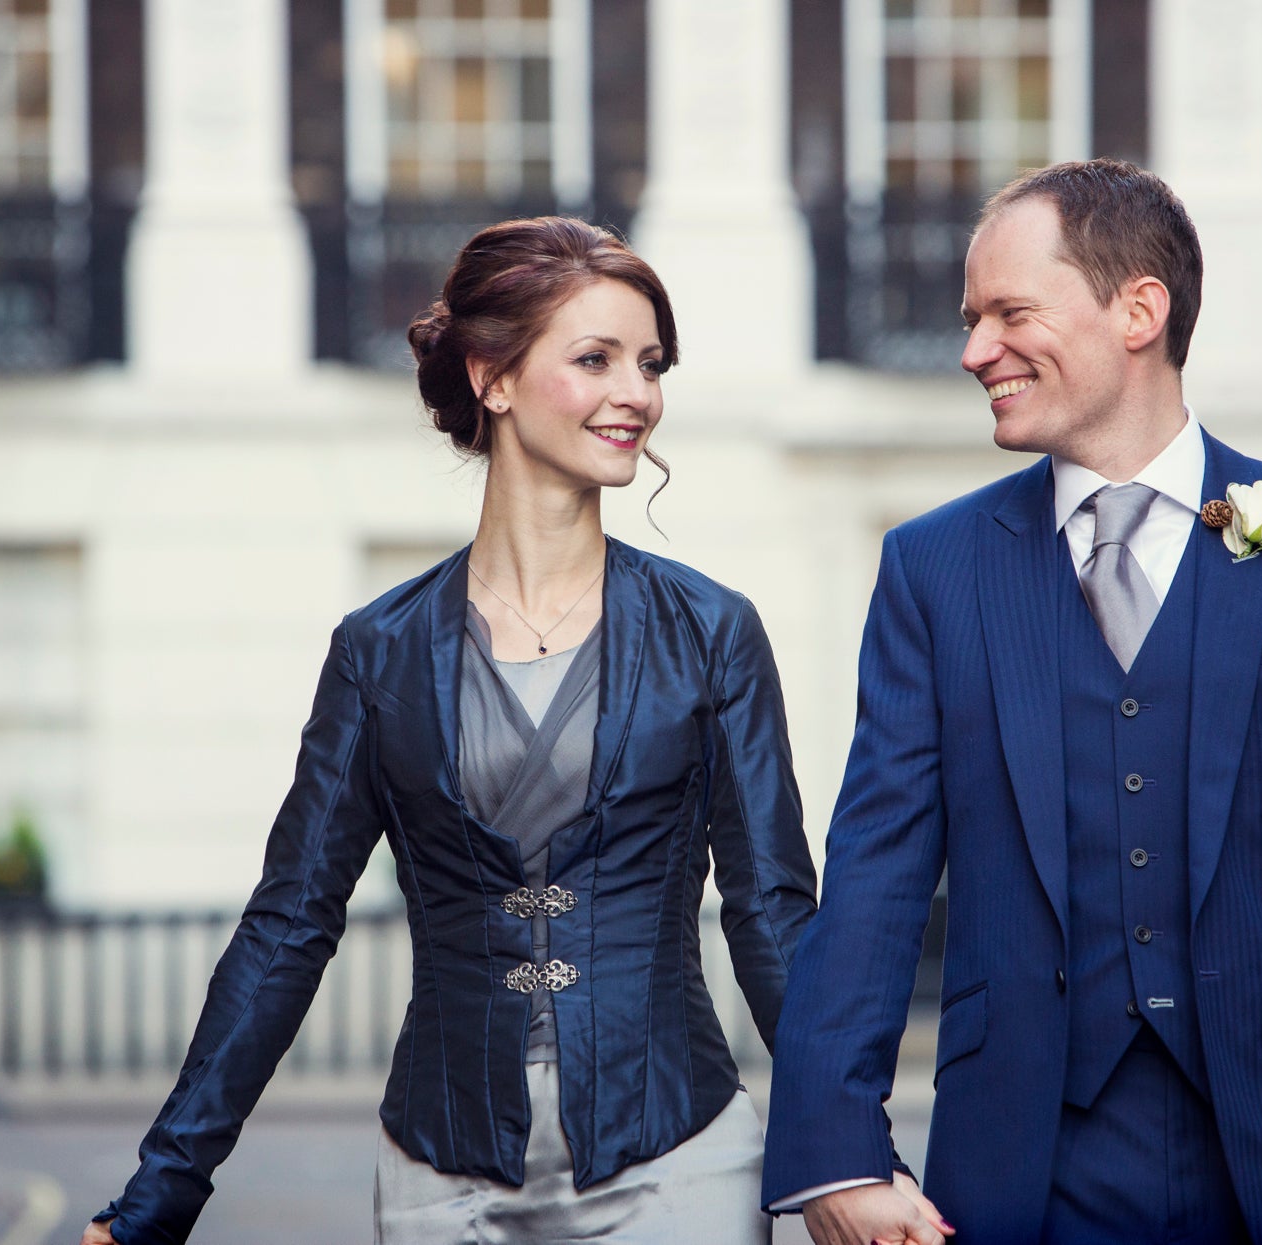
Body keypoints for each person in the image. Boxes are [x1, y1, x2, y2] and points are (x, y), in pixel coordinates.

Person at [761, 160, 1262, 1245]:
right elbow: (873, 874)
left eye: (1010, 314)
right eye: (971, 321)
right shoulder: (933, 568)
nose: (974, 352)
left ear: (1139, 309)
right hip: (1017, 1172)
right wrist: (835, 1152)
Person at [83, 217, 817, 1244]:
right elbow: (290, 924)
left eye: (650, 364)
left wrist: (846, 1151)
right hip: (443, 1177)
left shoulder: (711, 632)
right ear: (494, 377)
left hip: (679, 1165)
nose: (637, 394)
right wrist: (166, 1186)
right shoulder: (377, 652)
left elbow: (773, 913)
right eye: (596, 358)